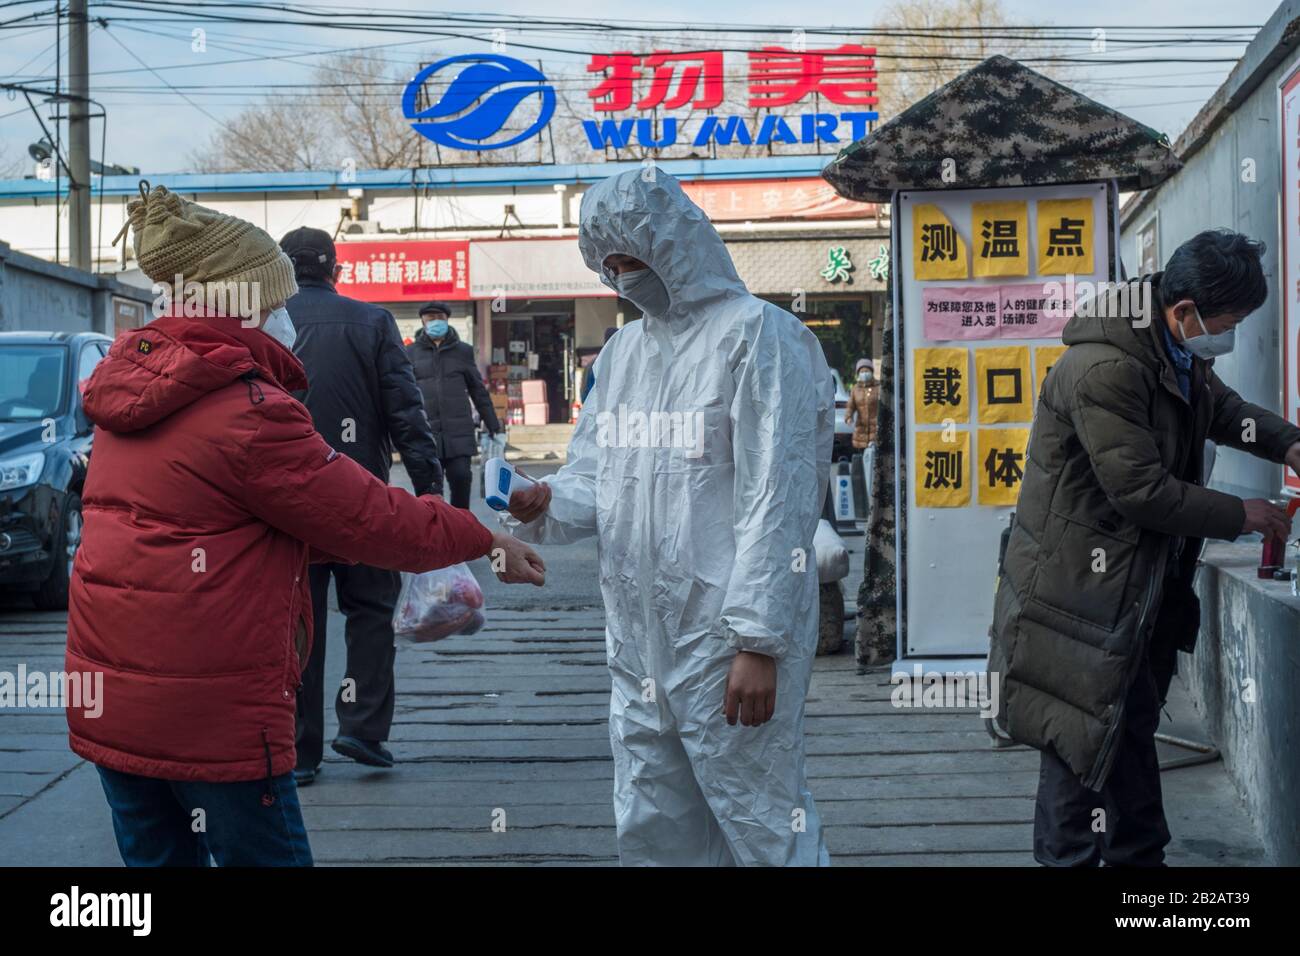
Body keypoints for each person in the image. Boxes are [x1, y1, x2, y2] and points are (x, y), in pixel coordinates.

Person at [67, 185, 544, 867]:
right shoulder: (247, 409)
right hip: (210, 714)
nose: (283, 314)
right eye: (273, 299)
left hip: (115, 699)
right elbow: (362, 515)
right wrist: (481, 538)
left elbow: (236, 517)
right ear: (245, 302)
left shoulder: (128, 386)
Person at [507, 170, 833, 866]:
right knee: (653, 820)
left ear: (679, 247)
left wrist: (760, 640)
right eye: (612, 265)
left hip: (723, 637)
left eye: (635, 260)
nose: (625, 278)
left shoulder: (758, 338)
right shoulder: (624, 355)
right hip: (637, 645)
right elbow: (597, 478)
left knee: (764, 819)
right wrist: (548, 502)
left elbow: (780, 497)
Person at [989, 229, 1300, 867]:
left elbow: (1225, 412)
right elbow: (1140, 491)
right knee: (1079, 752)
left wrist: (1287, 443)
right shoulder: (1106, 368)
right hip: (1080, 598)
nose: (1232, 335)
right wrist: (1243, 513)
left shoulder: (1172, 355)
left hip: (1132, 593)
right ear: (1183, 311)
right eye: (1230, 321)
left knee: (1126, 744)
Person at [278, 226, 446, 784]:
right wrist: (429, 492)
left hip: (286, 505)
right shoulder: (373, 322)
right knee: (372, 609)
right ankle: (363, 728)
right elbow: (406, 412)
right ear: (335, 271)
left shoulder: (264, 323)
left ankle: (299, 753)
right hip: (360, 497)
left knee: (297, 621)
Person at [406, 302, 502, 509]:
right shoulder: (410, 353)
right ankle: (434, 537)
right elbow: (402, 394)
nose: (435, 322)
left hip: (459, 433)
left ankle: (462, 534)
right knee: (430, 494)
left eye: (439, 317)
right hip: (426, 434)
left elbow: (478, 390)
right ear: (422, 321)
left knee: (461, 480)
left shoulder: (463, 351)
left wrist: (493, 423)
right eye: (430, 318)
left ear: (447, 319)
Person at [845, 357, 879, 450]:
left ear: (871, 372)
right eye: (862, 371)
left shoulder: (878, 387)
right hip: (861, 430)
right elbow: (850, 406)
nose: (864, 373)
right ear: (858, 374)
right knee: (863, 458)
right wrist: (848, 417)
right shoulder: (855, 389)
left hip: (876, 428)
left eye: (866, 371)